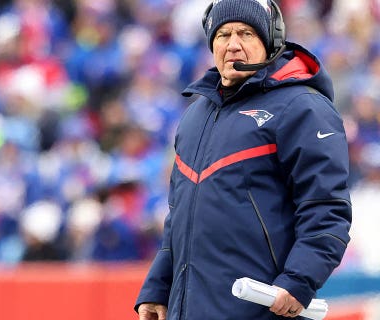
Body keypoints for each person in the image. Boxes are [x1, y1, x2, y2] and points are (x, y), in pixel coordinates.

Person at [135, 1, 352, 319]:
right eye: (223, 34)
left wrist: (298, 281)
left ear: (270, 41)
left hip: (260, 309)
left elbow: (326, 209)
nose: (232, 44)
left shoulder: (303, 107)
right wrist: (158, 288)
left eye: (246, 33)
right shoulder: (196, 115)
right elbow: (179, 216)